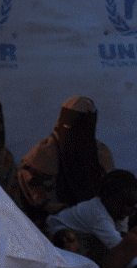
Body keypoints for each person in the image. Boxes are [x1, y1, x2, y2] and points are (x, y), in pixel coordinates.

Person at [17, 96, 115, 228]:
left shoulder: (101, 154)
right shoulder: (40, 158)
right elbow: (37, 206)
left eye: (86, 128)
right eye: (76, 126)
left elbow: (112, 192)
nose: (81, 135)